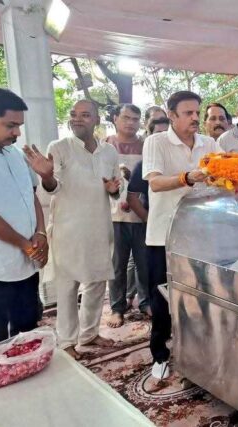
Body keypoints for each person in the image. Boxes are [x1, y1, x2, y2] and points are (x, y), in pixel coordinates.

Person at [25, 99, 120, 359]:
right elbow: (53, 189)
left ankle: (89, 333)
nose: (77, 118)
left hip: (99, 225)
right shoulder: (59, 147)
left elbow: (115, 188)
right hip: (68, 228)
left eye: (85, 115)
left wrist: (114, 190)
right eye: (73, 114)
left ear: (97, 120)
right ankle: (67, 341)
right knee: (68, 286)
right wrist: (46, 176)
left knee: (97, 281)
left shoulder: (109, 151)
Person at [142, 91, 223, 379]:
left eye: (197, 113)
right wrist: (186, 178)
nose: (194, 118)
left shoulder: (209, 144)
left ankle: (201, 349)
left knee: (201, 292)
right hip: (163, 234)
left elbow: (222, 176)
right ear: (172, 115)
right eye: (188, 113)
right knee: (162, 296)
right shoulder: (157, 142)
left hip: (200, 234)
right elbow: (155, 183)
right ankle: (160, 354)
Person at [0, 87, 47, 352]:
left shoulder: (15, 154)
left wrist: (40, 234)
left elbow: (32, 197)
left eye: (19, 126)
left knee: (27, 333)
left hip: (26, 265)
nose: (17, 133)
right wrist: (26, 245)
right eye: (10, 125)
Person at [105, 104, 150, 327]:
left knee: (144, 263)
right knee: (117, 265)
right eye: (126, 118)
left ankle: (146, 302)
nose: (131, 123)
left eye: (135, 119)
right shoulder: (106, 145)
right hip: (114, 216)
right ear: (115, 118)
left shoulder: (146, 145)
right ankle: (117, 307)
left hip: (142, 213)